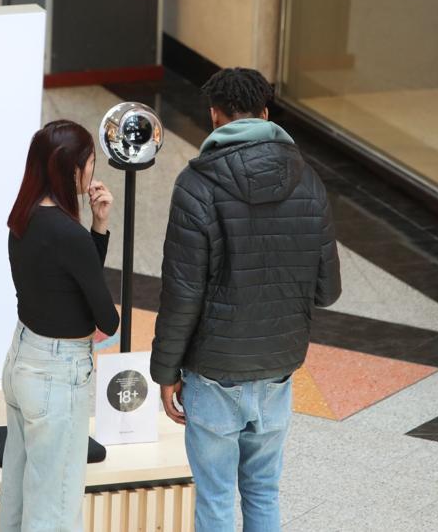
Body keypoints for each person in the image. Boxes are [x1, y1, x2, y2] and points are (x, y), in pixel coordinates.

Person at [151, 67, 341, 532]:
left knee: (215, 498)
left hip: (214, 373)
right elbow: (328, 290)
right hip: (278, 369)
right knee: (262, 491)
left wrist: (165, 373)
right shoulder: (309, 180)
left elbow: (183, 293)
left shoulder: (197, 184)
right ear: (266, 112)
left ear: (215, 115)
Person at [0, 119, 119, 532]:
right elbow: (107, 318)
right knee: (55, 505)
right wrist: (92, 236)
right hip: (57, 374)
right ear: (73, 170)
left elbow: (69, 283)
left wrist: (97, 229)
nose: (93, 172)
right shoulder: (68, 234)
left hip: (22, 359)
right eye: (91, 162)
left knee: (17, 491)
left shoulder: (23, 217)